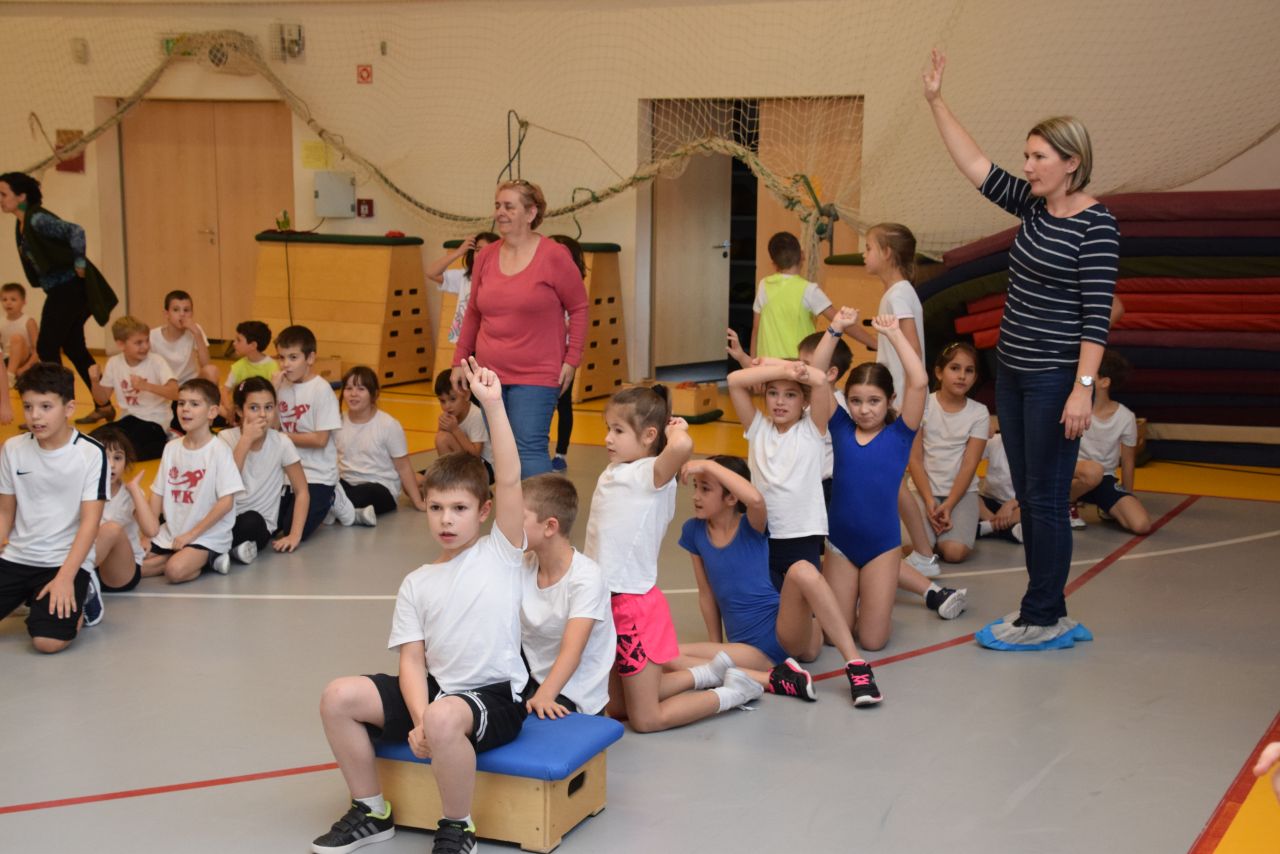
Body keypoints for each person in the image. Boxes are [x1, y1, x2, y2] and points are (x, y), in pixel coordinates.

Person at [924, 49, 1118, 650]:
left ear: (1071, 163)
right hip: (1012, 371)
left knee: (1044, 497)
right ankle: (1046, 610)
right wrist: (935, 100)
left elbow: (1097, 318)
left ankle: (1043, 616)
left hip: (1056, 379)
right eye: (1027, 156)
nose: (1027, 166)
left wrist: (1082, 390)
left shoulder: (1097, 225)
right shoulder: (1033, 206)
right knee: (1029, 494)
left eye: (1038, 157)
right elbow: (975, 165)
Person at [312, 357, 528, 854]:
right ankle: (372, 810)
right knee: (338, 697)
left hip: (493, 696)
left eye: (459, 509)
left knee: (447, 716)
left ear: (484, 511)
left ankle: (458, 827)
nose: (446, 520)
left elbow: (511, 478)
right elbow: (412, 660)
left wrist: (493, 405)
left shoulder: (501, 552)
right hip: (438, 692)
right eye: (436, 508)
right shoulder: (417, 582)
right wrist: (419, 718)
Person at [584, 385, 763, 732]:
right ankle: (706, 674)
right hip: (605, 602)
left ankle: (732, 694)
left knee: (646, 720)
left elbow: (681, 447)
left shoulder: (651, 474)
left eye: (618, 430)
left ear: (650, 435)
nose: (608, 438)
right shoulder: (618, 469)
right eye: (608, 428)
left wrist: (676, 427)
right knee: (615, 708)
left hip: (632, 608)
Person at [675, 455, 879, 705]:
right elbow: (707, 594)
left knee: (802, 570)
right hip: (751, 650)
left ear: (731, 498)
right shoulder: (693, 531)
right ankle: (774, 679)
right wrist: (716, 648)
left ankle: (856, 666)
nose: (696, 496)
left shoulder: (751, 525)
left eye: (705, 489)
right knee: (667, 655)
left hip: (785, 633)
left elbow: (755, 499)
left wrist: (708, 465)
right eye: (695, 487)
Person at [813, 311, 949, 652]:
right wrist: (834, 329)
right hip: (840, 545)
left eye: (874, 401)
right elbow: (817, 373)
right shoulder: (840, 427)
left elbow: (919, 381)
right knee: (832, 637)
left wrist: (894, 334)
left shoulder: (900, 434)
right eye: (855, 401)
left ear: (890, 401)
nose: (864, 410)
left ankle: (873, 604)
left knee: (873, 642)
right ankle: (855, 602)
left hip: (882, 548)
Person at [451, 180, 588, 478]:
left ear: (530, 213)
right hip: (489, 374)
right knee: (502, 450)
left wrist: (572, 359)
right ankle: (511, 509)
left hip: (537, 373)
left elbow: (579, 307)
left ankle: (540, 509)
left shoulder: (554, 255)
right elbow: (473, 312)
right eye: (497, 206)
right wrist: (459, 360)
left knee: (528, 450)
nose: (500, 212)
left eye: (509, 206)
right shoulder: (486, 256)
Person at [840, 222, 939, 578]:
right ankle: (918, 549)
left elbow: (911, 350)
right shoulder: (899, 293)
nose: (864, 254)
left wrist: (901, 404)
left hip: (899, 404)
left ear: (886, 253)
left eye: (869, 247)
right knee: (894, 479)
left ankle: (923, 553)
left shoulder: (897, 295)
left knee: (893, 479)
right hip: (896, 399)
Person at [0, 362, 107, 652]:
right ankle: (32, 596)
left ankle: (84, 592)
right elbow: (5, 513)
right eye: (28, 407)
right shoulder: (12, 448)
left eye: (46, 407)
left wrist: (65, 577)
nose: (35, 416)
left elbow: (90, 523)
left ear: (69, 408)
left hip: (63, 560)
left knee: (47, 641)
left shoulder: (90, 453)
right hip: (18, 556)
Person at [1, 172, 115, 422]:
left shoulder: (37, 219)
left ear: (21, 196)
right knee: (74, 346)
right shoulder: (22, 223)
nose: (0, 199)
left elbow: (76, 231)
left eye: (3, 194)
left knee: (46, 346)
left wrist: (80, 263)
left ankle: (58, 410)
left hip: (70, 289)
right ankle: (104, 405)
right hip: (63, 290)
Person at [519, 473, 614, 718]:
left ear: (550, 526)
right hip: (532, 679)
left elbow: (572, 651)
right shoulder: (523, 564)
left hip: (573, 693)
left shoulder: (586, 578)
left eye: (519, 517)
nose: (508, 524)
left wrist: (544, 695)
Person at [136, 379, 244, 583]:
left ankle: (210, 556)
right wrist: (148, 535)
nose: (185, 409)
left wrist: (191, 535)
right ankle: (183, 557)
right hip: (173, 531)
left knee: (175, 571)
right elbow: (158, 494)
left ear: (212, 412)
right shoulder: (171, 448)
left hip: (206, 535)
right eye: (181, 403)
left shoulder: (219, 450)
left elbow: (226, 503)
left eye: (194, 404)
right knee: (133, 566)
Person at [908, 342, 990, 563]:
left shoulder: (979, 412)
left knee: (954, 553)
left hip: (961, 494)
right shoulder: (923, 405)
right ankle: (936, 533)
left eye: (969, 370)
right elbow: (915, 459)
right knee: (918, 548)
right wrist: (928, 500)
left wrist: (950, 503)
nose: (962, 376)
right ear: (939, 372)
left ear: (975, 377)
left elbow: (970, 464)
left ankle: (961, 529)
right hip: (923, 491)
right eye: (954, 368)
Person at [219, 377, 309, 565]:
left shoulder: (282, 442)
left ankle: (213, 552)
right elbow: (225, 484)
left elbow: (302, 491)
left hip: (257, 525)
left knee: (251, 521)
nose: (262, 414)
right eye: (254, 408)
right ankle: (221, 553)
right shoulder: (225, 438)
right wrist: (245, 440)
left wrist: (295, 535)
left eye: (268, 407)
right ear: (239, 411)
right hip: (223, 517)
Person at [1070, 350, 1150, 534]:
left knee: (1141, 525)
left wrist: (1127, 495)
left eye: (1089, 376)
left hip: (1103, 479)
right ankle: (1067, 502)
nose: (1082, 379)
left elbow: (1128, 461)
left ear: (1105, 382)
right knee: (1093, 472)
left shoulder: (1125, 417)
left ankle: (1104, 507)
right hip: (1073, 475)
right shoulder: (1075, 408)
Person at [334, 366, 427, 524]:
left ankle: (337, 509)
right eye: (349, 388)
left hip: (380, 488)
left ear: (374, 394)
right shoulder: (338, 422)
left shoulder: (388, 425)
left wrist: (418, 502)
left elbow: (403, 467)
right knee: (322, 489)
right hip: (347, 483)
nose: (353, 394)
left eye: (361, 389)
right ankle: (353, 513)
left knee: (364, 494)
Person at [274, 325, 341, 540]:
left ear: (310, 358)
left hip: (317, 474)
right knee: (272, 525)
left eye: (293, 357)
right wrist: (272, 392)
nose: (286, 364)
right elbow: (272, 427)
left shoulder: (321, 390)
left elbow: (320, 440)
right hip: (286, 473)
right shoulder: (281, 387)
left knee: (293, 529)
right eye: (281, 357)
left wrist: (282, 437)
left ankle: (335, 497)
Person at [88, 315, 178, 461]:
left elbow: (175, 393)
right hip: (129, 419)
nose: (145, 346)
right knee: (93, 440)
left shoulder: (157, 361)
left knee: (125, 450)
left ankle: (168, 442)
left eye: (147, 340)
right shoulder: (114, 363)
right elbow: (102, 399)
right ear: (121, 344)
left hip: (155, 420)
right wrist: (94, 381)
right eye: (138, 343)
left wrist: (146, 386)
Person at [750, 231, 836, 359]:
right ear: (802, 255)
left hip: (767, 366)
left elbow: (756, 330)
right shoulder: (809, 290)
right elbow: (840, 321)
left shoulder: (764, 285)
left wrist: (752, 364)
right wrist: (869, 341)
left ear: (774, 264)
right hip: (799, 366)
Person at [91, 426, 148, 595]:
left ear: (126, 462)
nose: (112, 465)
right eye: (104, 457)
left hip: (120, 572)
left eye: (118, 458)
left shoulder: (129, 494)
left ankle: (71, 579)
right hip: (91, 565)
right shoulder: (81, 491)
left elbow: (151, 530)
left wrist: (135, 491)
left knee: (111, 529)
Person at [548, 234, 587, 472]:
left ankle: (561, 453)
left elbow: (578, 319)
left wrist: (570, 358)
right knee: (542, 406)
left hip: (563, 358)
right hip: (542, 355)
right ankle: (538, 449)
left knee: (563, 404)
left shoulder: (574, 287)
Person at [425, 231, 498, 345]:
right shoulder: (465, 277)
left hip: (488, 342)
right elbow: (431, 273)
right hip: (465, 342)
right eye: (478, 250)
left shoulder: (502, 281)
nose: (481, 254)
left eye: (487, 250)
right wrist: (459, 252)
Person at [432, 369, 492, 481]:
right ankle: (450, 478)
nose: (447, 406)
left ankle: (452, 480)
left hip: (485, 469)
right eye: (442, 401)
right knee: (441, 438)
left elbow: (475, 455)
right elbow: (441, 442)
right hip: (467, 465)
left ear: (467, 395)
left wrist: (455, 430)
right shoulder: (450, 415)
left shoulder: (476, 415)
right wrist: (442, 427)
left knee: (443, 439)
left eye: (453, 399)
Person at [220, 320, 276, 419]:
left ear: (253, 345)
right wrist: (229, 409)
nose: (234, 343)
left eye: (239, 340)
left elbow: (273, 396)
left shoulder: (272, 367)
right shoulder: (238, 366)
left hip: (260, 412)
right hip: (240, 411)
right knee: (213, 404)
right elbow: (224, 390)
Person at [978, 432, 1023, 543]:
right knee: (969, 499)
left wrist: (1012, 504)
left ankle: (986, 528)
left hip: (1019, 505)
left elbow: (1039, 490)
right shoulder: (994, 441)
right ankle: (1003, 528)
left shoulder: (1035, 445)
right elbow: (969, 461)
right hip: (990, 502)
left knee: (1033, 510)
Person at [0, 282, 39, 379]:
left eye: (13, 299)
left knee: (17, 338)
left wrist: (25, 368)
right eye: (4, 299)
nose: (8, 303)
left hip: (26, 361)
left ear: (23, 302)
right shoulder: (1, 322)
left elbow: (38, 349)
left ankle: (9, 376)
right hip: (7, 360)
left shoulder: (29, 322)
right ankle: (9, 374)